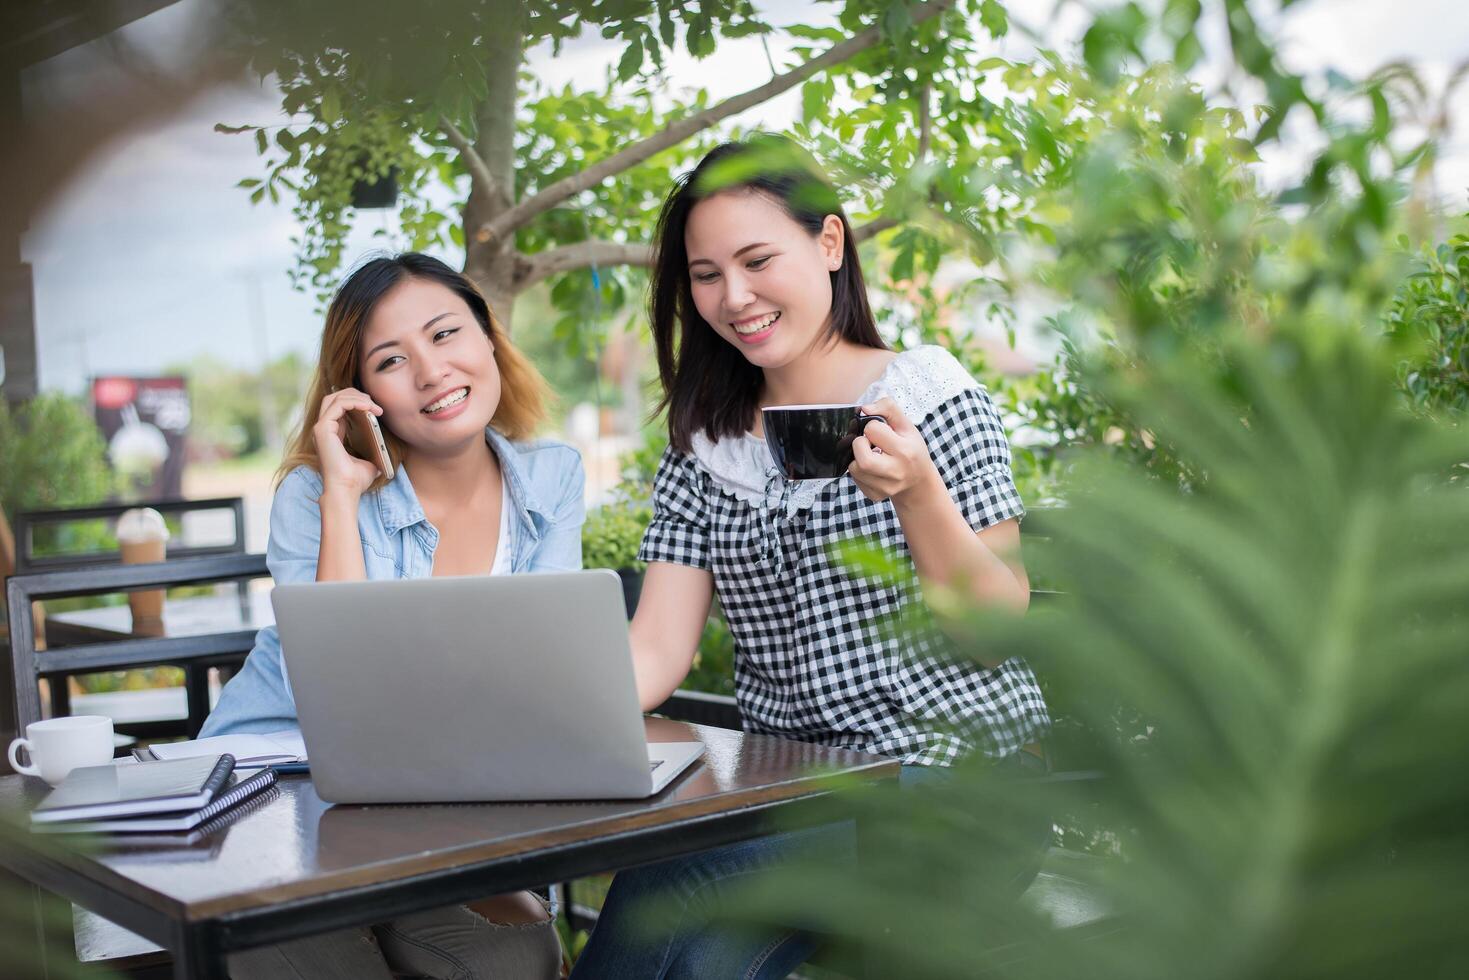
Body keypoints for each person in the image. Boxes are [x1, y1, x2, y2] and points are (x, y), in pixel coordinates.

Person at [569, 137, 1052, 979]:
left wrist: (916, 495)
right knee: (688, 939)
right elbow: (655, 650)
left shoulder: (928, 396)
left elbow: (995, 632)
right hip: (789, 796)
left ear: (829, 244)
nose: (734, 297)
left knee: (671, 893)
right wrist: (538, 718)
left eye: (757, 260)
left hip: (952, 788)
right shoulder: (704, 448)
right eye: (706, 274)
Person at [202, 252, 580, 980]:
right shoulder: (314, 496)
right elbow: (336, 690)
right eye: (390, 360)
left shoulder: (550, 476)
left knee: (516, 957)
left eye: (445, 335)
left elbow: (543, 668)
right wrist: (343, 497)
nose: (432, 371)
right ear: (360, 390)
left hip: (428, 802)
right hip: (279, 795)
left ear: (489, 337)